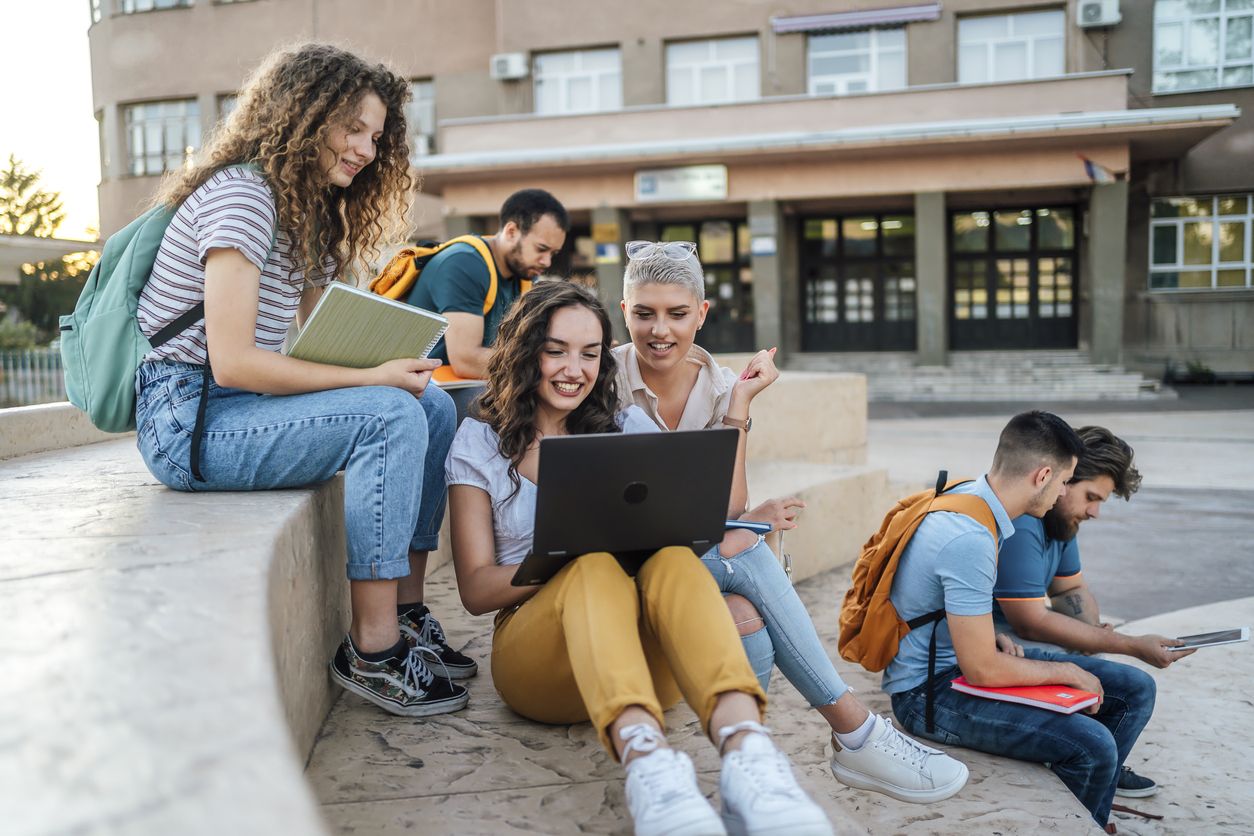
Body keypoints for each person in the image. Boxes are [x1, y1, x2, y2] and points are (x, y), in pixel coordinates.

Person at [133, 43, 472, 718]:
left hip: (238, 406)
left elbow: (324, 333)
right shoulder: (242, 197)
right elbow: (231, 361)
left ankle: (405, 614)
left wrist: (388, 359)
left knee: (429, 404)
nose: (366, 150)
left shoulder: (307, 209)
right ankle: (372, 652)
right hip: (190, 420)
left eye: (376, 137)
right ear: (304, 113)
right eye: (353, 128)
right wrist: (374, 379)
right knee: (388, 414)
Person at [446, 281, 833, 836]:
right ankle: (650, 768)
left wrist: (738, 406)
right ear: (523, 349)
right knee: (592, 563)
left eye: (590, 352)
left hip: (648, 656)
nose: (573, 369)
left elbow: (711, 511)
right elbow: (477, 592)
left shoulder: (624, 425)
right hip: (541, 664)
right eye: (555, 349)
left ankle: (750, 757)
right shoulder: (479, 441)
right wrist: (564, 550)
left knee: (673, 556)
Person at [611, 240, 969, 805]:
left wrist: (740, 404)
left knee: (744, 613)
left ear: (701, 314)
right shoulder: (600, 378)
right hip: (621, 566)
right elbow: (617, 514)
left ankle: (745, 781)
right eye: (644, 313)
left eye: (678, 314)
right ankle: (855, 731)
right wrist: (730, 534)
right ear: (622, 310)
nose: (661, 330)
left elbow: (727, 506)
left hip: (687, 562)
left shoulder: (719, 383)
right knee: (745, 553)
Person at [882, 411, 1157, 830]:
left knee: (1134, 688)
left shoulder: (975, 502)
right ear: (1043, 475)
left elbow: (937, 604)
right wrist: (1062, 670)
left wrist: (988, 632)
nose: (1065, 492)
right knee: (1094, 745)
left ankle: (1083, 800)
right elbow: (983, 669)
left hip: (954, 667)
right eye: (1066, 482)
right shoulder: (972, 535)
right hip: (926, 696)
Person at [994, 425, 1192, 799]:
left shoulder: (1061, 522)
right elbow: (1030, 622)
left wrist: (1092, 633)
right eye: (1091, 496)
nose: (1095, 512)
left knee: (1106, 667)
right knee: (1132, 685)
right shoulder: (1024, 522)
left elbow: (1070, 589)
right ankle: (1089, 766)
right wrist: (1127, 643)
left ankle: (1102, 767)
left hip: (1020, 640)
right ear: (1062, 480)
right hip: (1000, 647)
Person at [407, 188, 569, 380]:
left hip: (471, 384)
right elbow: (466, 361)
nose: (547, 262)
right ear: (511, 232)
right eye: (541, 249)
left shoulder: (524, 272)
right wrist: (550, 363)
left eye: (553, 253)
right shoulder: (464, 263)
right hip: (428, 386)